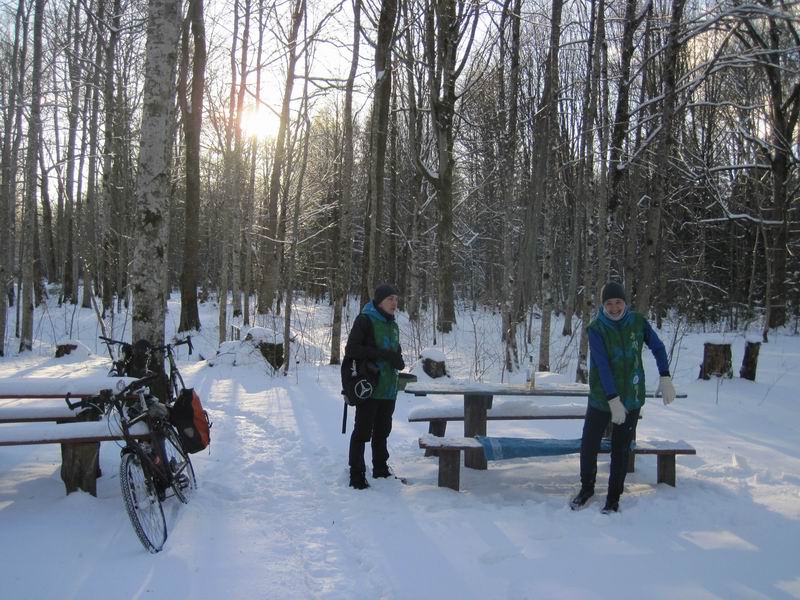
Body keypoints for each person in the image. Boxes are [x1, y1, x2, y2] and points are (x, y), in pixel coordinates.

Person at [570, 281, 677, 513]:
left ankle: (613, 497)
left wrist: (665, 376)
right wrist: (612, 399)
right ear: (603, 305)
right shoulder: (596, 328)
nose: (615, 308)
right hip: (601, 398)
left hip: (631, 397)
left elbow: (658, 347)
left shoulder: (637, 323)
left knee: (621, 448)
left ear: (625, 302)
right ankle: (586, 488)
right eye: (609, 303)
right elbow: (603, 365)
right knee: (589, 444)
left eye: (618, 302)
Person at [345, 284, 405, 489]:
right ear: (379, 301)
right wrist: (382, 354)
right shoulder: (365, 320)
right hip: (369, 386)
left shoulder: (393, 325)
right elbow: (352, 349)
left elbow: (395, 350)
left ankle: (380, 468)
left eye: (396, 299)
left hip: (389, 388)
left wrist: (399, 360)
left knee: (382, 431)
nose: (395, 303)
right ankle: (356, 474)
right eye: (390, 299)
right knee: (362, 431)